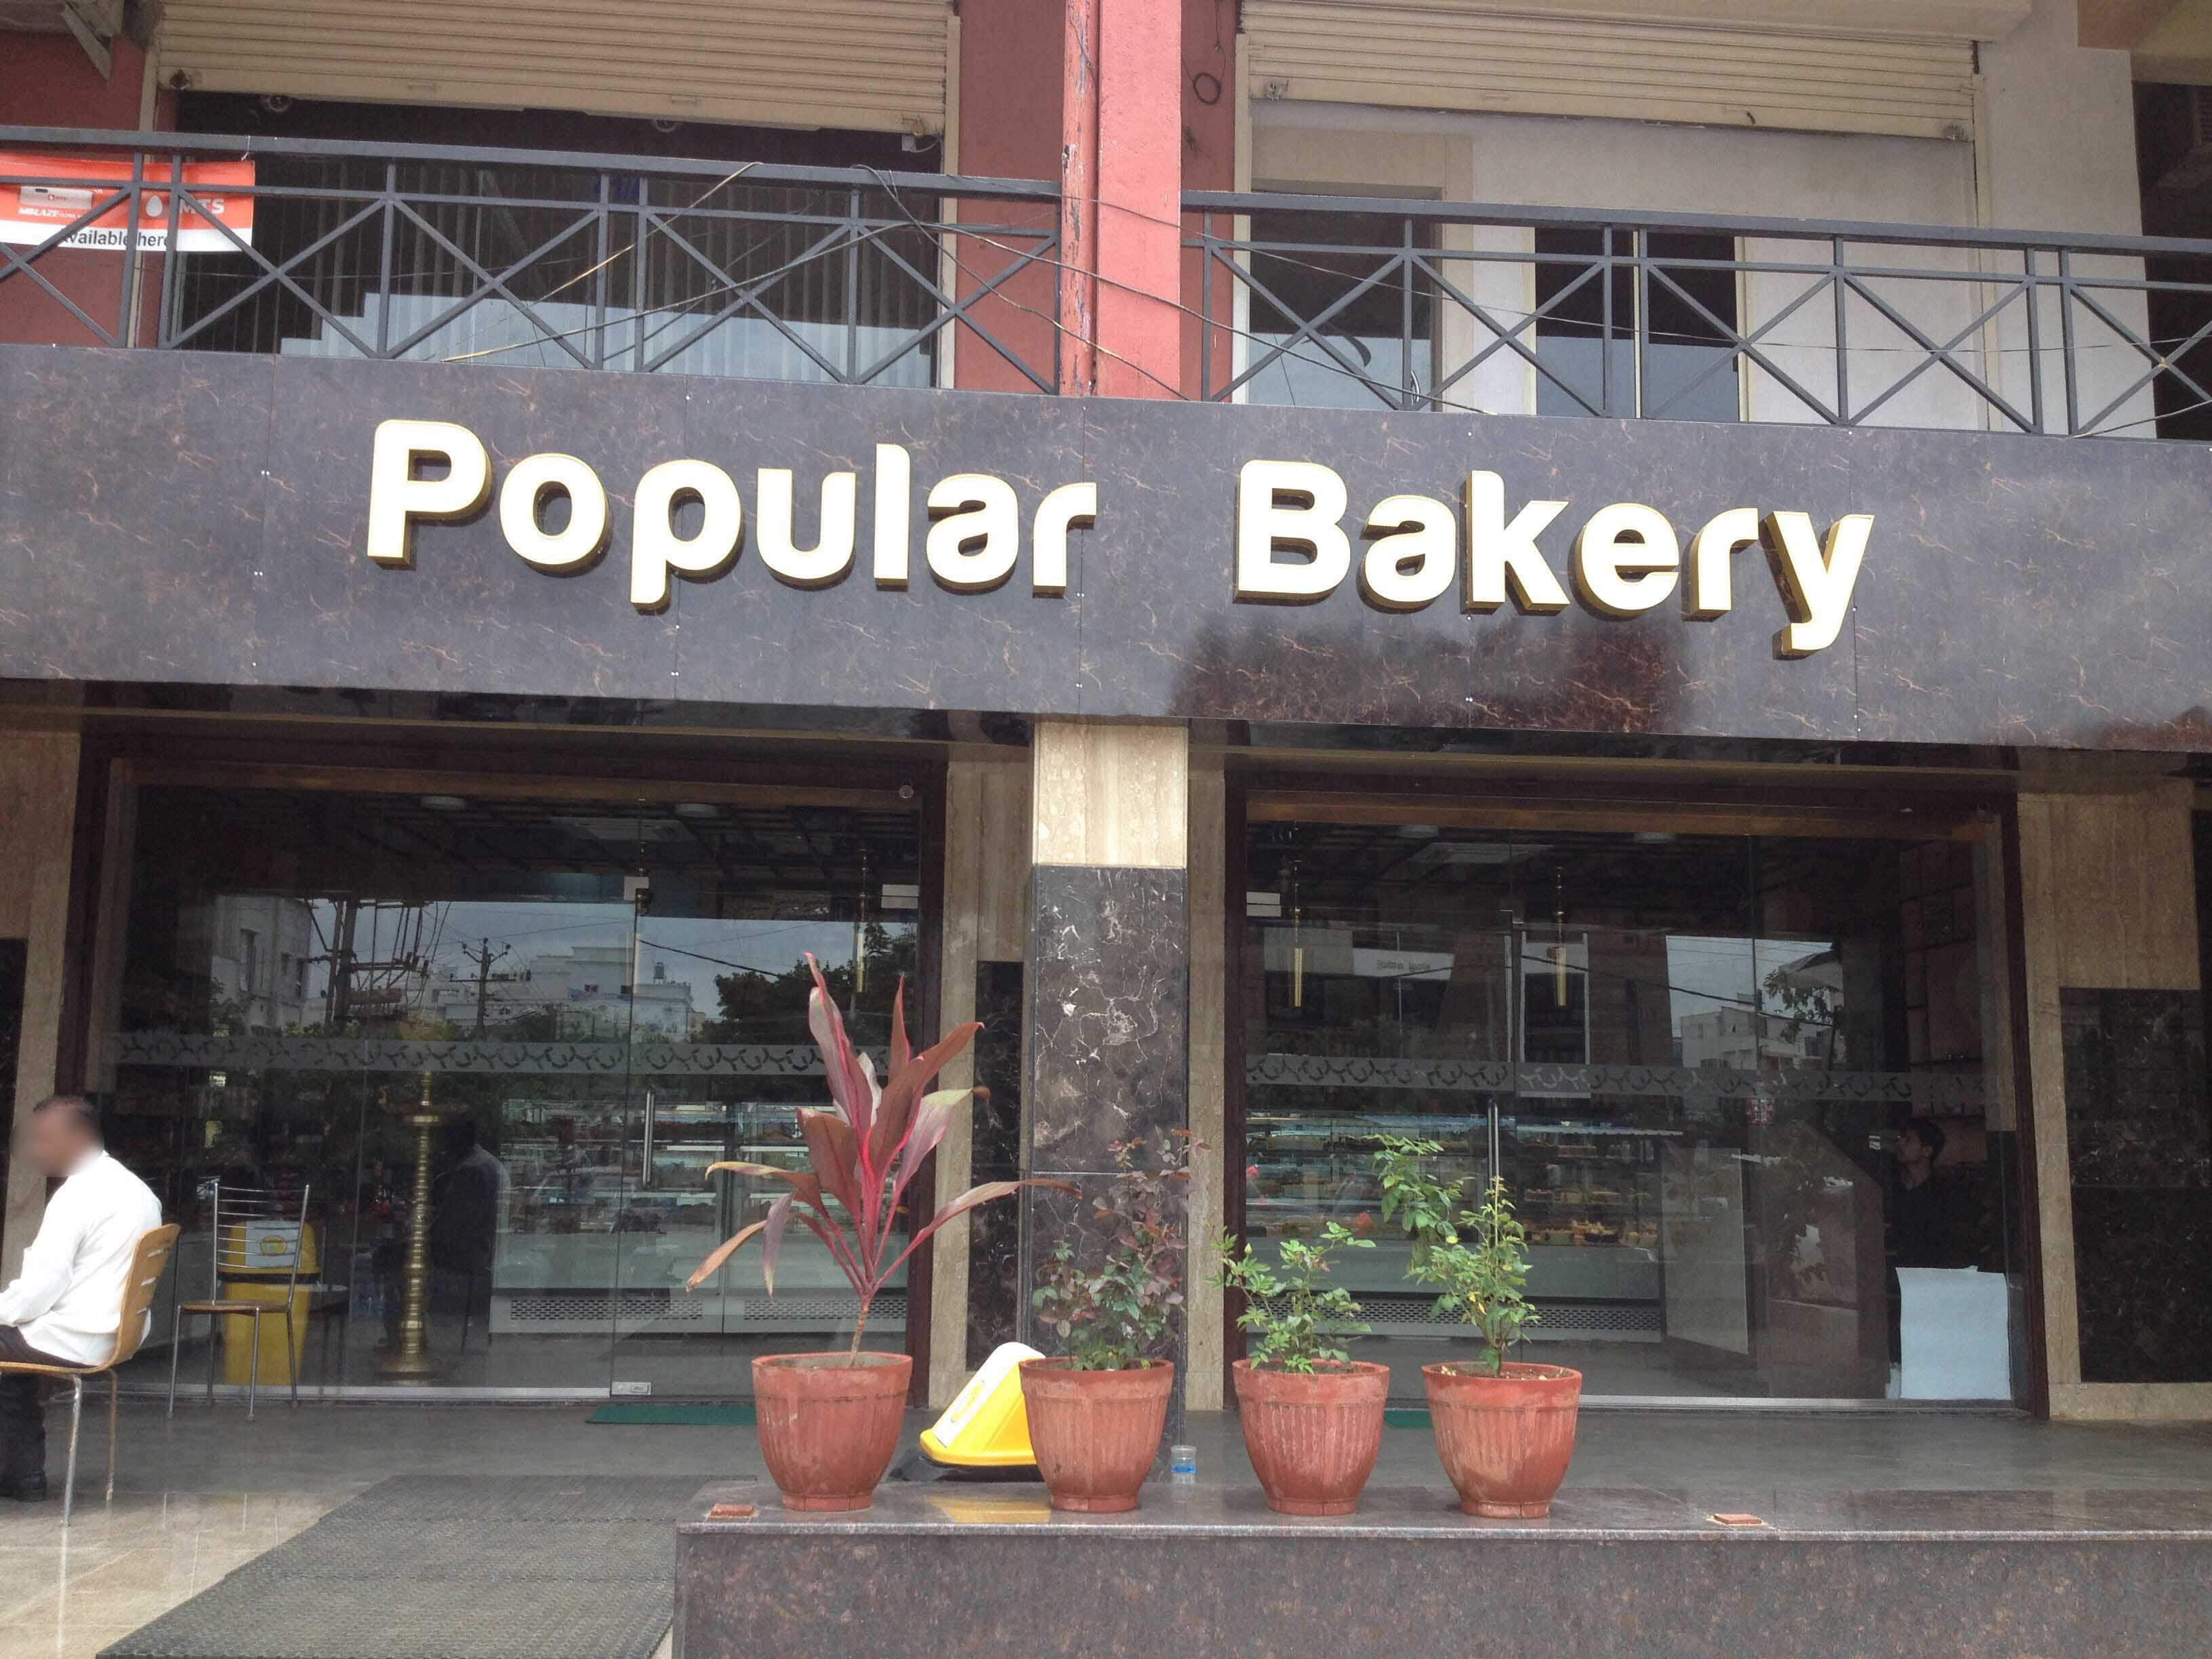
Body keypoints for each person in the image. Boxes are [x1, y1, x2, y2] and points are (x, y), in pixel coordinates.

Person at [0, 1095, 163, 1502]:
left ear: (79, 1137)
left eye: (44, 1138)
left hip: (76, 1336)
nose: (35, 1149)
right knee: (8, 1368)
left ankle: (22, 1476)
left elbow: (41, 1288)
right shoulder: (135, 1189)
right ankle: (22, 1478)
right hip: (113, 1335)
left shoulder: (79, 1195)